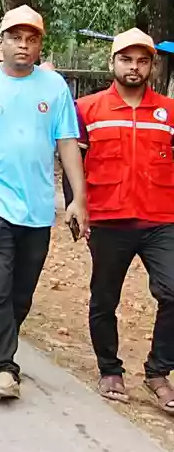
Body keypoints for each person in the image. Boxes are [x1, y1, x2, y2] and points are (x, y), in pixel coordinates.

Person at [0, 5, 86, 400]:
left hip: (38, 205)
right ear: (2, 41)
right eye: (15, 37)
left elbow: (67, 143)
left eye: (31, 39)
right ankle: (5, 368)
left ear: (40, 45)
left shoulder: (54, 87)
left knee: (21, 291)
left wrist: (78, 199)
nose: (23, 45)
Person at [74, 28, 174, 414]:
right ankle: (110, 370)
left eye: (142, 61)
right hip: (108, 219)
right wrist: (77, 206)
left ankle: (158, 372)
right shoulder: (88, 109)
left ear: (152, 66)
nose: (134, 67)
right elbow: (74, 165)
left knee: (172, 292)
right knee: (105, 298)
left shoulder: (168, 111)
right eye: (126, 59)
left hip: (161, 218)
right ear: (112, 62)